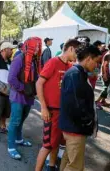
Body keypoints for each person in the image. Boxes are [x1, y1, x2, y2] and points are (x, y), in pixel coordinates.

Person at [35, 39, 81, 171]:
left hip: (64, 112)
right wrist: (43, 107)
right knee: (48, 144)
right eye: (76, 52)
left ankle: (51, 165)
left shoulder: (71, 66)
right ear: (71, 49)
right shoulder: (54, 62)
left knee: (57, 142)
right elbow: (39, 83)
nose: (77, 55)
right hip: (52, 111)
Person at [59, 45, 101, 171]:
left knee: (68, 159)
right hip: (75, 129)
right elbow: (76, 105)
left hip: (73, 127)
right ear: (88, 59)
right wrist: (87, 122)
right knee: (75, 166)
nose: (97, 66)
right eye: (96, 61)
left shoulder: (78, 73)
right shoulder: (75, 74)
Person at [7, 37, 42, 160]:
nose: (38, 48)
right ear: (29, 47)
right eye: (36, 46)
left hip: (28, 95)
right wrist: (24, 88)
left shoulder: (34, 60)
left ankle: (18, 139)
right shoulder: (18, 59)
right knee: (15, 121)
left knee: (21, 120)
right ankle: (11, 146)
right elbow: (11, 79)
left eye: (39, 46)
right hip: (18, 96)